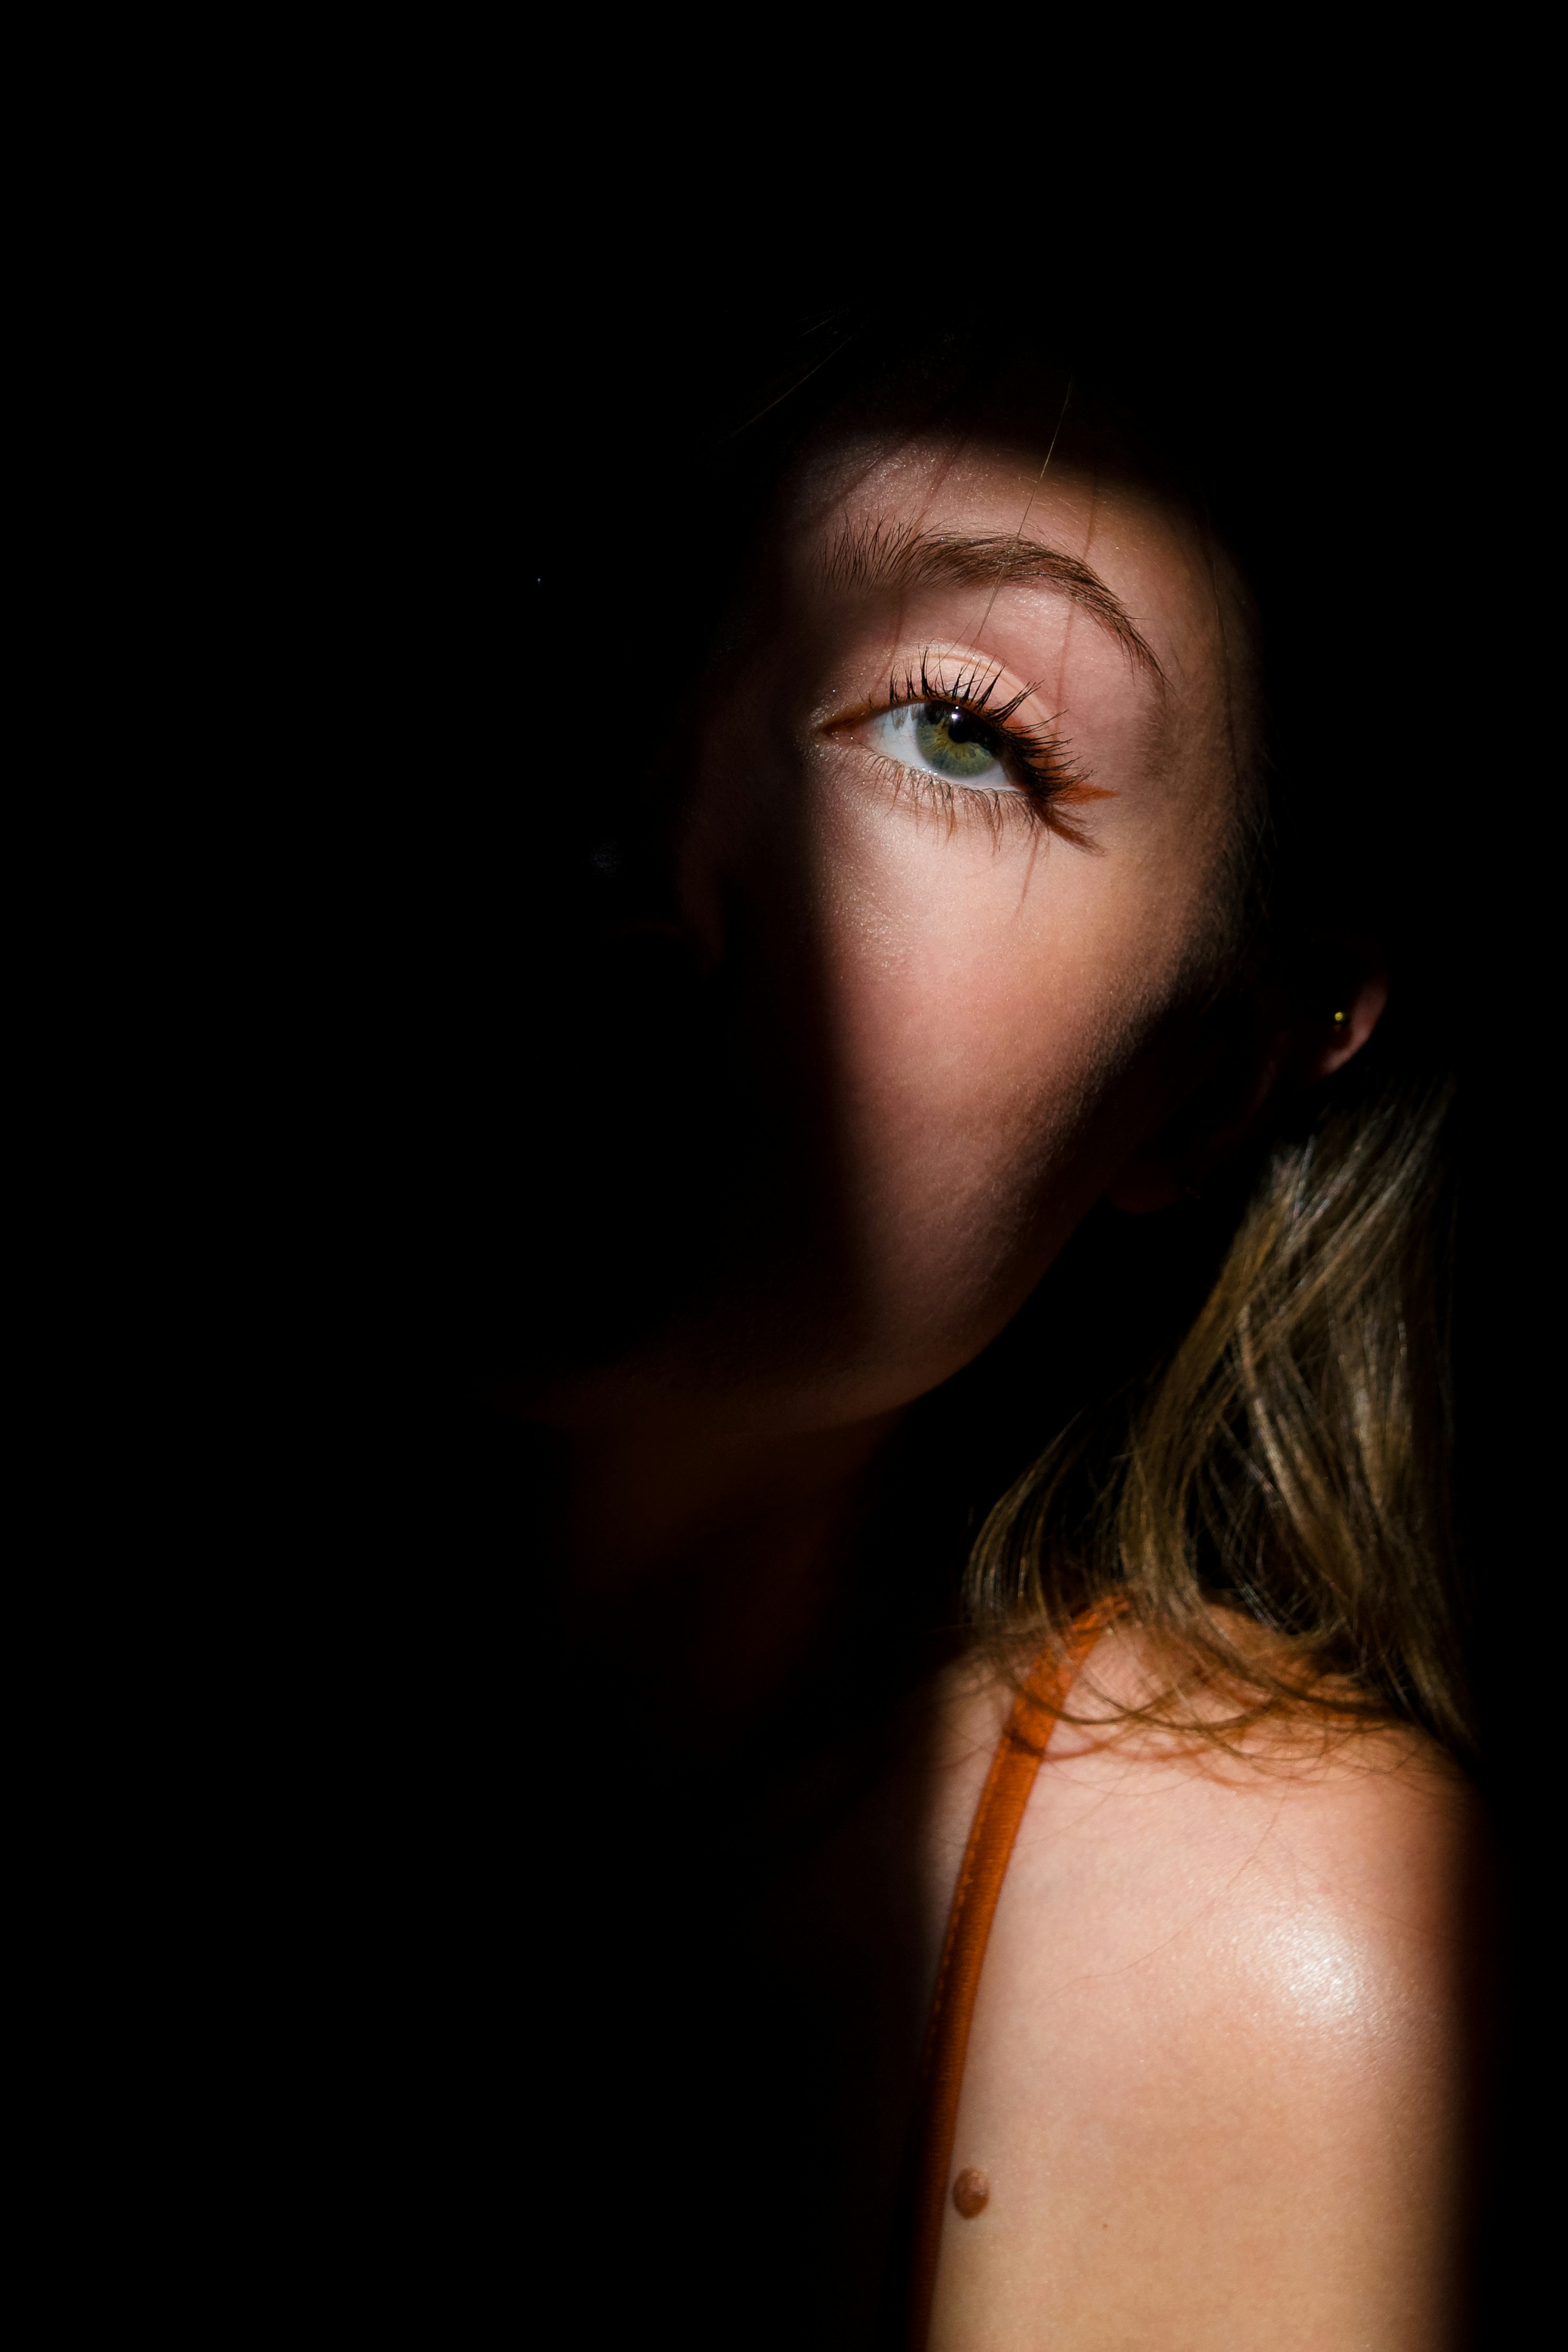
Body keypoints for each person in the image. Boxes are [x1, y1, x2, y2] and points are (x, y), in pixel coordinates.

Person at [366, 310, 1492, 2347]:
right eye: (571, 598)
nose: (638, 848)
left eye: (961, 730)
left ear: (1221, 1069)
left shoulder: (1254, 1976)